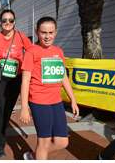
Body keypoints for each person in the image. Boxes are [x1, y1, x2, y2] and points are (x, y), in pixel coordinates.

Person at [20, 16, 79, 160]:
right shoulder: (31, 51)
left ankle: (34, 156)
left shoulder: (58, 51)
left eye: (51, 32)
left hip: (56, 102)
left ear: (56, 32)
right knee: (44, 142)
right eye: (43, 32)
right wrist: (24, 107)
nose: (47, 36)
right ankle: (40, 155)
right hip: (39, 102)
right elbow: (25, 80)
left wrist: (73, 99)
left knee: (62, 142)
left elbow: (63, 76)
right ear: (37, 32)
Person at [0, 9, 32, 158]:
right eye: (4, 20)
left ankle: (1, 129)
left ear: (14, 22)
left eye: (10, 20)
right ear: (0, 23)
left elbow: (32, 52)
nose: (7, 23)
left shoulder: (21, 37)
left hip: (16, 80)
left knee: (7, 111)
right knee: (1, 109)